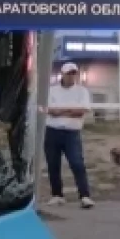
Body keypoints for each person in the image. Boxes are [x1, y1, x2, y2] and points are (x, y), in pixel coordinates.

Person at [44, 62, 94, 208]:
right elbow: (50, 110)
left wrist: (62, 111)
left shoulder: (82, 91)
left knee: (77, 163)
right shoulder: (52, 91)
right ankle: (57, 194)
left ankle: (84, 195)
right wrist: (71, 110)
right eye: (69, 73)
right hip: (52, 131)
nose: (72, 76)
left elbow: (82, 111)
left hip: (72, 133)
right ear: (63, 74)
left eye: (74, 73)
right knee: (53, 164)